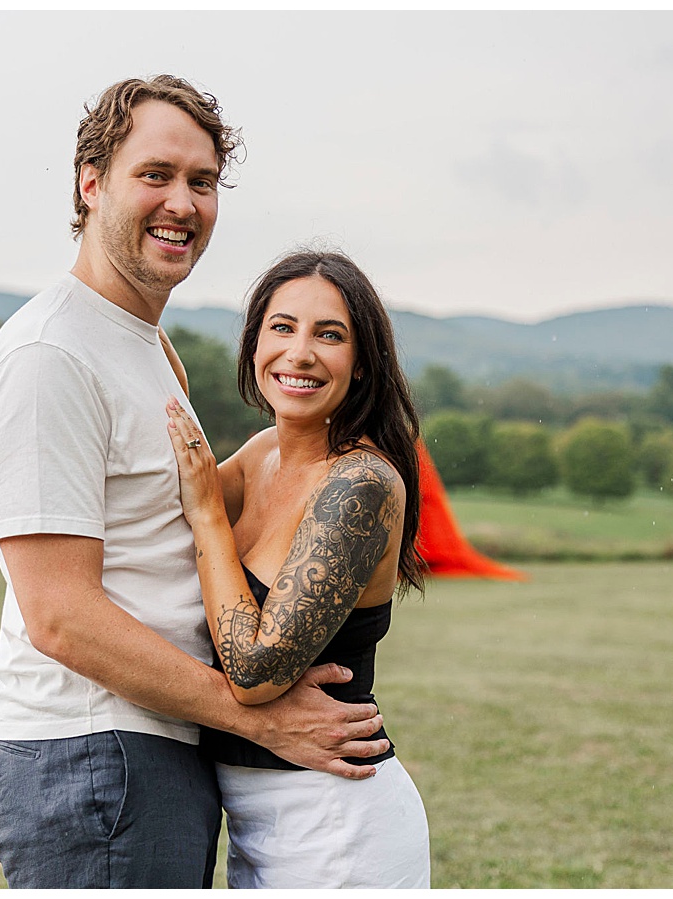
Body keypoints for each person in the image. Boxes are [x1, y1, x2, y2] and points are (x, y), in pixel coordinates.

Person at [0, 76, 391, 889]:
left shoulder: (146, 347)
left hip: (153, 751)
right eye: (156, 174)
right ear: (91, 185)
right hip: (94, 757)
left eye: (202, 182)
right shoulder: (48, 355)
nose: (183, 203)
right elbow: (60, 616)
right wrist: (262, 718)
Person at [163, 250, 432, 888]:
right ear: (254, 342)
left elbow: (256, 673)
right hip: (256, 821)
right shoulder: (262, 454)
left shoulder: (359, 484)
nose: (300, 353)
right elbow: (159, 489)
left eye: (329, 335)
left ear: (362, 362)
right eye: (281, 328)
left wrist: (208, 518)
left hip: (337, 821)